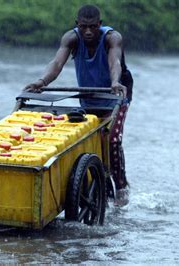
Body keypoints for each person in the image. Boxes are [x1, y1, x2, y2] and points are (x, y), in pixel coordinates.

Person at [24, 4, 133, 206]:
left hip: (116, 93)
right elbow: (57, 63)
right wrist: (42, 82)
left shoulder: (112, 38)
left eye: (92, 27)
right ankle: (93, 181)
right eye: (84, 27)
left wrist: (115, 82)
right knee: (86, 139)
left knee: (112, 139)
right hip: (90, 94)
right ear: (78, 25)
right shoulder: (71, 39)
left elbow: (114, 62)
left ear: (99, 25)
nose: (88, 31)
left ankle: (121, 186)